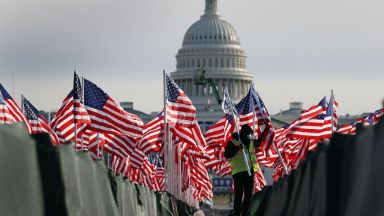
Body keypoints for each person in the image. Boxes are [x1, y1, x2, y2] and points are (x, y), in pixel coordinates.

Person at [224, 124, 265, 216]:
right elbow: (227, 154)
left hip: (250, 171)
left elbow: (259, 143)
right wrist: (237, 148)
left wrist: (266, 129)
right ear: (243, 133)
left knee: (249, 195)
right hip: (238, 172)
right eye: (249, 133)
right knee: (239, 195)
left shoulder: (250, 141)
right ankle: (237, 213)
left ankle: (245, 213)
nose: (250, 135)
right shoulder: (233, 142)